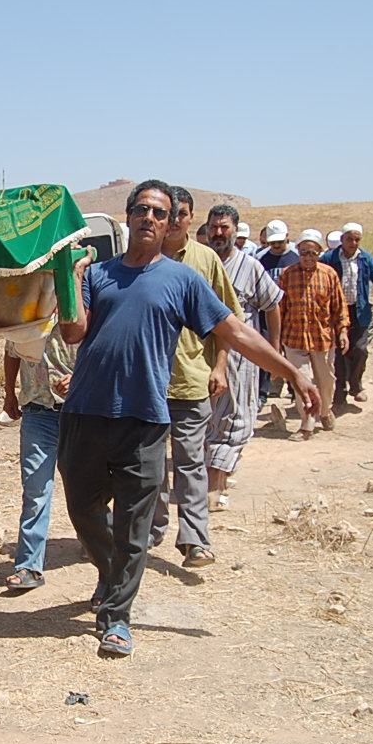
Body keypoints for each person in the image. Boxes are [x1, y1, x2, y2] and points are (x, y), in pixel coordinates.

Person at [57, 179, 320, 657]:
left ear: (171, 223)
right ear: (128, 217)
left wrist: (292, 373)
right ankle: (112, 574)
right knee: (82, 510)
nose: (150, 218)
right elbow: (73, 332)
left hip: (145, 420)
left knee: (135, 523)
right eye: (142, 209)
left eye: (159, 213)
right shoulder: (99, 275)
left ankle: (116, 617)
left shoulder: (184, 281)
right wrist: (74, 278)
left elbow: (236, 332)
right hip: (85, 413)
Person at [149, 186, 240, 569]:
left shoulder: (205, 261)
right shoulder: (142, 258)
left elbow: (227, 322)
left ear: (190, 219)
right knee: (150, 467)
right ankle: (151, 530)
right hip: (147, 384)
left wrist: (220, 366)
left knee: (190, 463)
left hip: (192, 380)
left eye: (181, 214)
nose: (172, 221)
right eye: (167, 214)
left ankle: (195, 540)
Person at [203, 205, 283, 510]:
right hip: (202, 355)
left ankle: (216, 485)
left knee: (236, 418)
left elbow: (272, 306)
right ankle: (212, 483)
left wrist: (273, 350)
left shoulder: (250, 267)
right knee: (205, 420)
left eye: (224, 227)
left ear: (235, 231)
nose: (218, 233)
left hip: (241, 358)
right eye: (214, 227)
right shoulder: (199, 262)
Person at [1, 325, 75, 590]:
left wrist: (80, 377)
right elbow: (12, 350)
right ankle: (29, 566)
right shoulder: (25, 311)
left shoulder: (83, 308)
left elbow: (103, 350)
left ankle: (98, 545)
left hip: (79, 409)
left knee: (85, 490)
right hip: (37, 411)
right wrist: (9, 393)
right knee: (35, 490)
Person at [275, 229, 349, 441]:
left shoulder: (329, 275)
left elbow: (339, 306)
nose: (308, 257)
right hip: (294, 338)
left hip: (322, 338)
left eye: (313, 253)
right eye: (304, 253)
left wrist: (343, 331)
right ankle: (306, 425)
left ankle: (324, 411)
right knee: (301, 382)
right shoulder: (288, 275)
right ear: (298, 251)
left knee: (326, 382)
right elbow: (279, 309)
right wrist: (277, 340)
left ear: (319, 253)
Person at [321, 221, 373, 407]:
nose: (353, 243)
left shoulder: (366, 259)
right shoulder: (329, 258)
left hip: (359, 311)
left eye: (357, 240)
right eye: (349, 239)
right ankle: (340, 391)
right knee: (338, 353)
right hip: (336, 312)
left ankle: (355, 384)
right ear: (342, 239)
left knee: (359, 349)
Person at [256, 221, 300, 405]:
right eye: (272, 242)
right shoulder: (260, 259)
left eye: (279, 242)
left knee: (292, 353)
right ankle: (262, 392)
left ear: (287, 237)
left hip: (291, 313)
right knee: (266, 351)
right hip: (266, 312)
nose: (275, 245)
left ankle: (294, 390)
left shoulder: (296, 258)